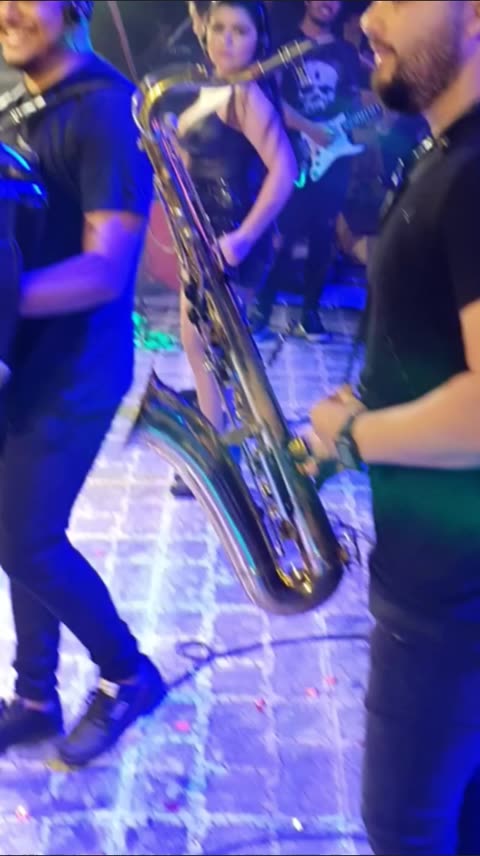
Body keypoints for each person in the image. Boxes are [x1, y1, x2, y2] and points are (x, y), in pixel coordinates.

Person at [302, 1, 480, 853]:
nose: (369, 17)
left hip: (450, 600)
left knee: (405, 828)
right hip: (450, 582)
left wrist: (355, 433)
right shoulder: (447, 155)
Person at [0, 0, 165, 767]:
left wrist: (5, 299)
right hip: (23, 358)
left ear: (72, 7)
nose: (8, 9)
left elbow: (105, 270)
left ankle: (128, 673)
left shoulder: (104, 112)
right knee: (15, 530)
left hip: (77, 369)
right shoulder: (22, 102)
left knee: (26, 537)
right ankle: (36, 697)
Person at [171, 0, 297, 497]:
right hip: (202, 235)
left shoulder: (247, 95)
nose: (226, 39)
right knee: (200, 343)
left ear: (257, 40)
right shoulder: (210, 85)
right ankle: (222, 443)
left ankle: (222, 452)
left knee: (211, 345)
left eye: (239, 31)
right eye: (219, 27)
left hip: (230, 240)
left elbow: (285, 171)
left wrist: (244, 236)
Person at [250, 0, 363, 340]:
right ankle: (261, 309)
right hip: (293, 153)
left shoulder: (345, 52)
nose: (327, 3)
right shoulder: (285, 44)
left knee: (323, 236)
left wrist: (355, 126)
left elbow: (351, 104)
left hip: (334, 157)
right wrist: (310, 129)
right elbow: (269, 99)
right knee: (284, 233)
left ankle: (309, 314)